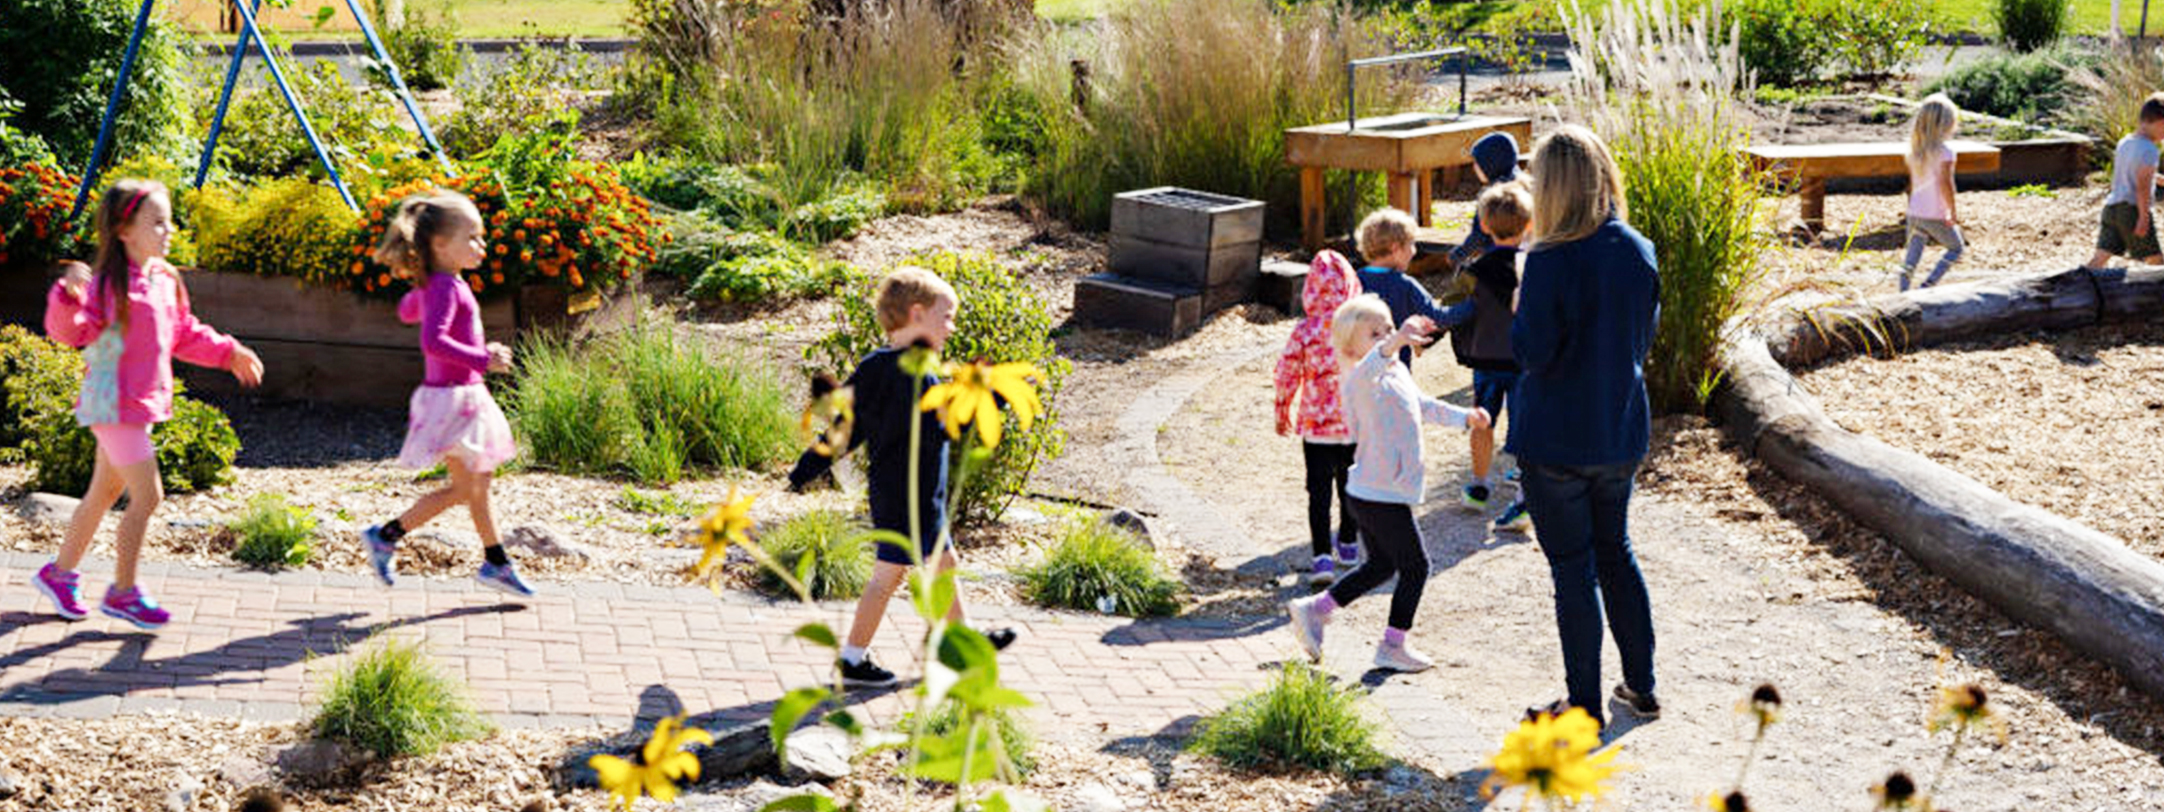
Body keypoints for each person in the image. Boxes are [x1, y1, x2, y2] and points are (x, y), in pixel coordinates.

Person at [36, 181, 265, 629]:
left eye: (169, 220)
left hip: (137, 406)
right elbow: (69, 332)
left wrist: (228, 352)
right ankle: (123, 592)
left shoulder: (164, 281)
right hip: (114, 406)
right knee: (148, 495)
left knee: (103, 493)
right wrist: (65, 297)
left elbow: (184, 333)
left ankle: (58, 573)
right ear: (124, 230)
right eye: (157, 222)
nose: (169, 230)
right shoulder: (105, 288)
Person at [787, 267, 1016, 688]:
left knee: (940, 564)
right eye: (946, 317)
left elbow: (845, 428)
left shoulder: (880, 366)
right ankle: (857, 659)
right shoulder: (913, 372)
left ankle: (956, 643)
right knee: (890, 575)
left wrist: (807, 467)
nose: (952, 327)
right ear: (916, 314)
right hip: (907, 494)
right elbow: (942, 427)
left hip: (910, 493)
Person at [1509, 125, 1661, 728]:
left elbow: (1532, 353)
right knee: (1616, 554)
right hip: (1617, 425)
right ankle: (1641, 686)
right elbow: (1641, 339)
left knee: (1573, 569)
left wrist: (1522, 302)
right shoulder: (1637, 249)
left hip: (1554, 438)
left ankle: (1583, 707)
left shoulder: (1547, 260)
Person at [1285, 296, 1488, 673]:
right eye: (1375, 333)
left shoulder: (1395, 371)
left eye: (1389, 327)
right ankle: (1392, 646)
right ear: (1350, 347)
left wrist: (1466, 417)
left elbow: (1424, 406)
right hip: (1377, 492)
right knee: (1417, 567)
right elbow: (1376, 359)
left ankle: (1315, 610)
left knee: (1380, 566)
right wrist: (1394, 340)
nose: (1388, 336)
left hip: (1380, 490)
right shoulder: (1358, 376)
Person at [359, 190, 534, 598]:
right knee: (468, 488)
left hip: (463, 396)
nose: (482, 244)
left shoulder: (442, 284)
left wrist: (419, 294)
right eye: (472, 236)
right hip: (454, 399)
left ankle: (494, 561)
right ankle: (388, 535)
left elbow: (406, 311)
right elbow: (432, 342)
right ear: (440, 245)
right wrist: (482, 358)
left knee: (476, 485)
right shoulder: (446, 288)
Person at [1274, 250, 1365, 584]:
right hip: (1353, 423)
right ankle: (1349, 542)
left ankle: (1322, 556)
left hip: (1316, 427)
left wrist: (1282, 408)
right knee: (1351, 484)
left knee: (1319, 491)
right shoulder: (1360, 328)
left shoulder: (1306, 330)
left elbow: (1286, 372)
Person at [1449, 181, 1534, 532]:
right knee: (1526, 427)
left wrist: (1427, 335)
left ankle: (1479, 484)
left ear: (1484, 225)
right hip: (1523, 361)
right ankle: (1525, 497)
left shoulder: (1473, 270)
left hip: (1484, 359)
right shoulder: (1533, 267)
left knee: (1482, 421)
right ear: (1529, 225)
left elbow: (1452, 310)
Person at [1353, 208, 1460, 368]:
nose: (1414, 251)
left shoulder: (1354, 280)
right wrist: (1469, 305)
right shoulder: (1404, 284)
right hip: (1395, 369)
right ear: (1396, 249)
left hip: (1360, 370)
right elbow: (1438, 317)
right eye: (1411, 244)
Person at [2087, 91, 2164, 270]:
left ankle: (2074, 286)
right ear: (2160, 122)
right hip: (2132, 210)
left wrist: (2160, 180)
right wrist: (2144, 218)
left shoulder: (2125, 142)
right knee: (2156, 262)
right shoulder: (2150, 150)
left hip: (2112, 208)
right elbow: (2142, 186)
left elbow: (2134, 173)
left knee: (2100, 259)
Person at [1901, 93, 1965, 291]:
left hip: (1914, 211)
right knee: (1956, 248)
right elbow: (1946, 184)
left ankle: (1902, 291)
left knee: (1912, 255)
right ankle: (1928, 286)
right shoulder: (1945, 152)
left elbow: (1914, 184)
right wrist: (1952, 212)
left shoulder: (1915, 151)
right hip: (1934, 213)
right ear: (1947, 124)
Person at [1446, 131, 1524, 270]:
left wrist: (1458, 255)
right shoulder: (1523, 188)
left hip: (1496, 256)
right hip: (1523, 254)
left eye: (1477, 163)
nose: (1474, 168)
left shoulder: (1491, 198)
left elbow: (1479, 235)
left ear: (1490, 165)